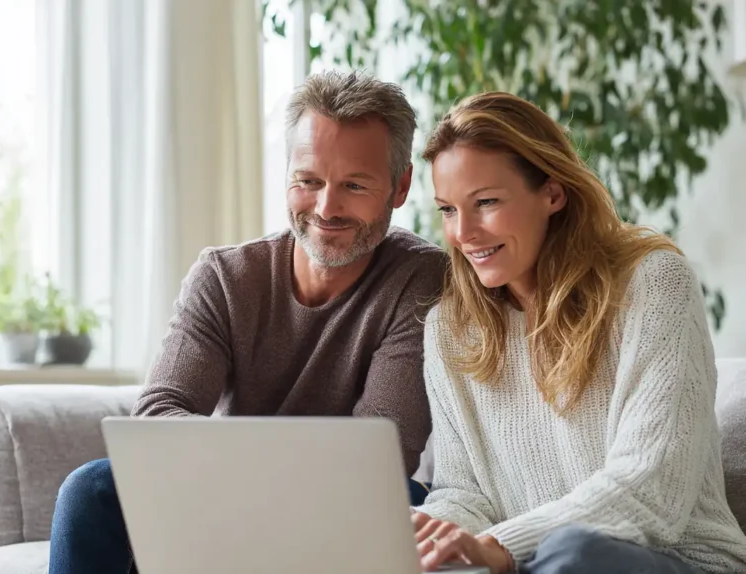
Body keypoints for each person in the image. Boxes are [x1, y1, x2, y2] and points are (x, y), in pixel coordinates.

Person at [48, 70, 447, 574]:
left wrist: (248, 463)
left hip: (341, 509)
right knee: (91, 489)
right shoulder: (225, 276)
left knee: (406, 498)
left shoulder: (421, 278)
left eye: (354, 185)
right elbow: (158, 414)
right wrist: (251, 478)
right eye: (308, 180)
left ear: (400, 185)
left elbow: (383, 454)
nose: (326, 207)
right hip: (218, 494)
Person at [408, 92, 746, 573]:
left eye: (485, 202)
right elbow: (463, 491)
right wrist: (436, 540)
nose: (465, 233)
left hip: (682, 562)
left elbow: (652, 488)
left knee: (572, 556)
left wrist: (499, 547)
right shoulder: (449, 329)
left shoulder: (654, 284)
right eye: (448, 210)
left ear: (553, 193)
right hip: (532, 566)